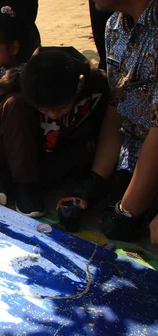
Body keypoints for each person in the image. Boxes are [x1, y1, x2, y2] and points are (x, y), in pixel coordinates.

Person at [0, 47, 109, 220]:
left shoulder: (97, 84)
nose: (53, 115)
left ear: (79, 84)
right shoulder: (13, 81)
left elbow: (106, 135)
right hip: (18, 150)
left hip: (53, 152)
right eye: (43, 109)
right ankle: (24, 183)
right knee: (14, 103)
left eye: (61, 107)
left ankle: (6, 178)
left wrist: (89, 188)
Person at [61, 0, 158, 243]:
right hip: (139, 156)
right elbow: (117, 109)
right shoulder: (115, 27)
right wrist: (94, 183)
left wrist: (127, 211)